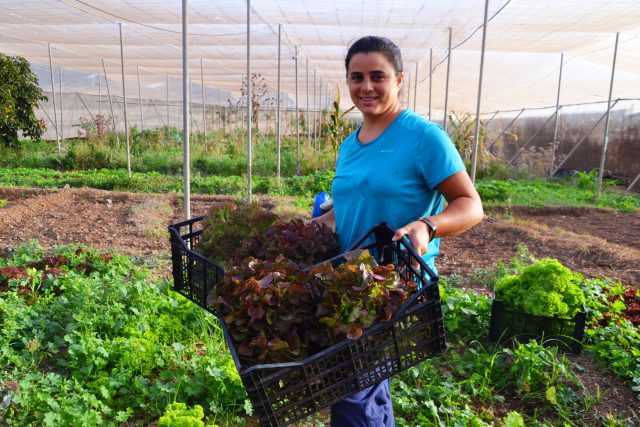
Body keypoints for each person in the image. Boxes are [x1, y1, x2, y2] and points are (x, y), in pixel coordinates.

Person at [314, 35, 484, 426]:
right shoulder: (349, 146)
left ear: (399, 80)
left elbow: (470, 205)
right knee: (356, 389)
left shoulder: (424, 138)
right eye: (357, 77)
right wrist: (299, 230)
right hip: (349, 284)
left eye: (378, 76)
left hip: (392, 287)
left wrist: (428, 225)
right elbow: (343, 213)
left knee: (356, 397)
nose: (366, 87)